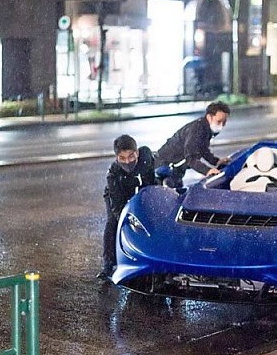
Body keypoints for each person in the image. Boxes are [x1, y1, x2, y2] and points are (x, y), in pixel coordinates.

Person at [97, 134, 156, 280]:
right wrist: (125, 219)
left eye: (131, 156)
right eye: (122, 158)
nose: (127, 162)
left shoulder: (146, 158)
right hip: (118, 197)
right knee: (113, 223)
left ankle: (152, 257)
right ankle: (109, 264)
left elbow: (152, 180)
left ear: (136, 152)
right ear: (117, 157)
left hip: (142, 194)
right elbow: (117, 204)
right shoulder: (114, 173)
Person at [155, 101, 232, 189]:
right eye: (219, 121)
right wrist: (207, 170)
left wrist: (216, 161)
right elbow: (191, 158)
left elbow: (203, 149)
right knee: (172, 193)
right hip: (165, 167)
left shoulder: (205, 129)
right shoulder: (196, 130)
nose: (221, 125)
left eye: (224, 122)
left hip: (175, 167)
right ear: (209, 117)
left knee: (177, 189)